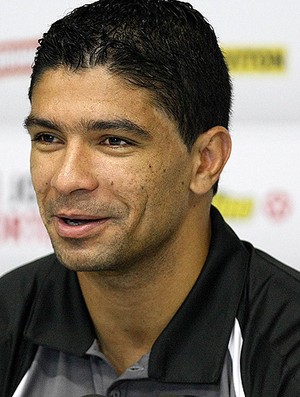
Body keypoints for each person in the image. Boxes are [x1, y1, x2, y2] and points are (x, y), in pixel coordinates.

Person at [1, 0, 300, 396]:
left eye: (114, 141)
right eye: (48, 138)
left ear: (205, 161)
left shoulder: (285, 347)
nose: (66, 178)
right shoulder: (7, 318)